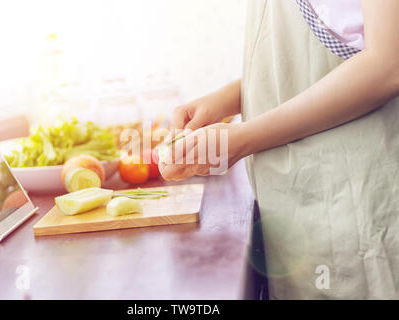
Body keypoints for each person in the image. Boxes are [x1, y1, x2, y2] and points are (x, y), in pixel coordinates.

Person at [158, 0, 399, 299]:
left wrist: (241, 139)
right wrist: (230, 98)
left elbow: (388, 64)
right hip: (301, 207)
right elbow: (322, 58)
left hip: (359, 200)